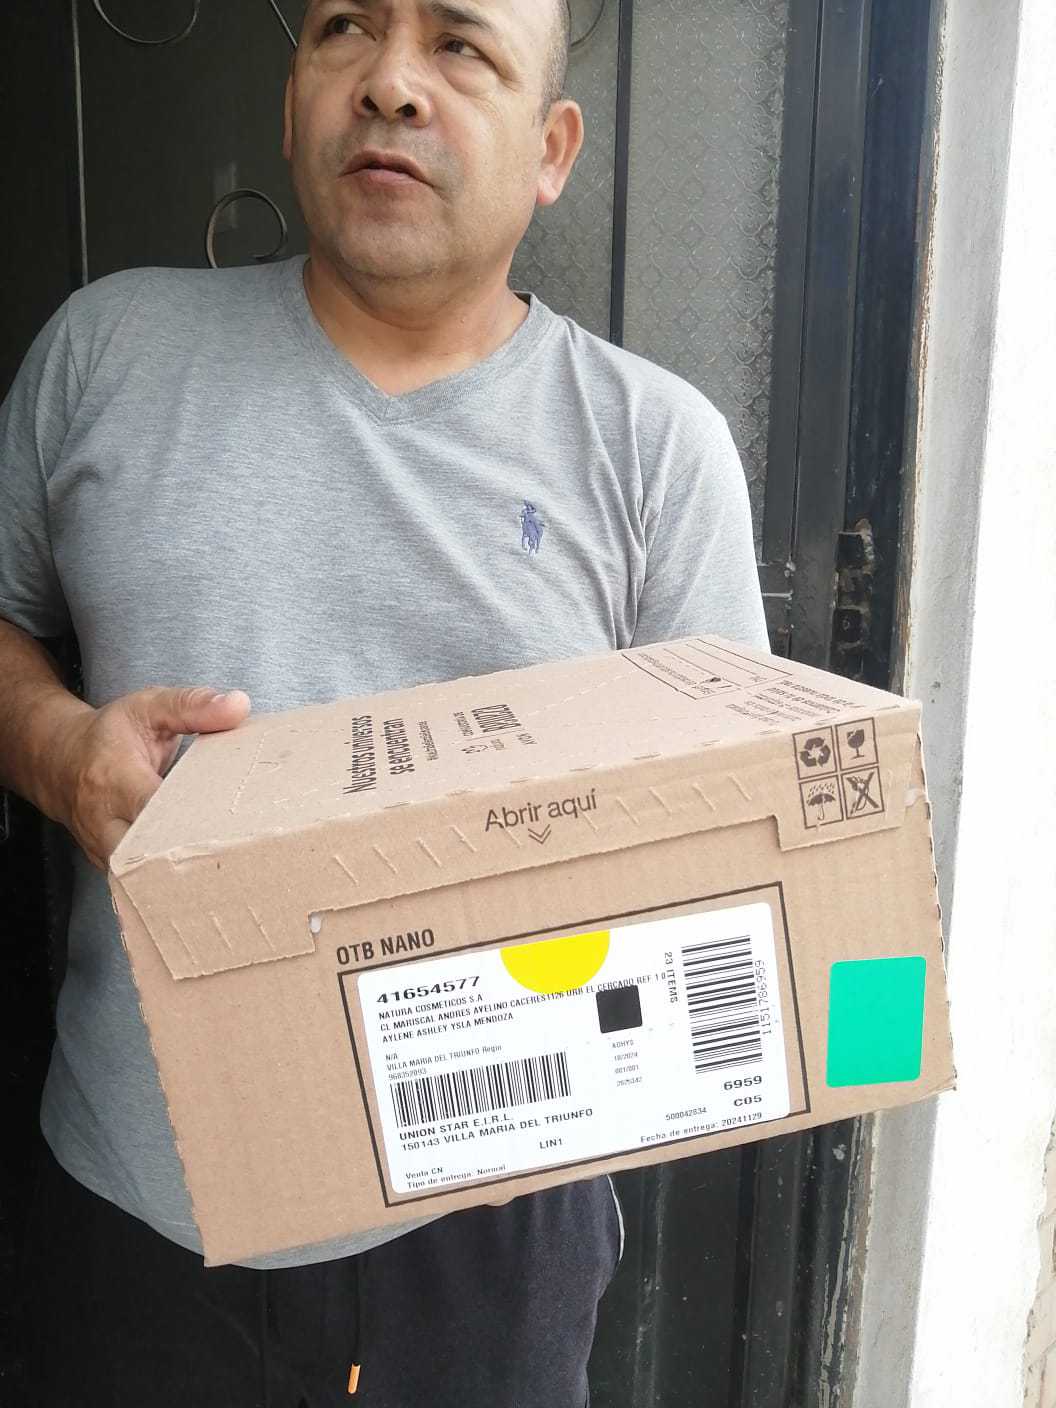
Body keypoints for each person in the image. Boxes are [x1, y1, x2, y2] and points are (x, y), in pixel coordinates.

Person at [0, 0, 767, 1403]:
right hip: (133, 1206)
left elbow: (740, 864)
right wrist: (59, 751)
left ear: (552, 149)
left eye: (460, 45)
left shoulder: (656, 453)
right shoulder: (106, 354)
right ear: (294, 95)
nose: (394, 84)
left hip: (490, 1237)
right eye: (348, 27)